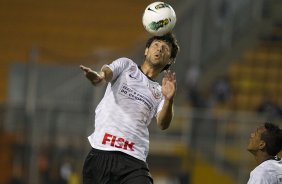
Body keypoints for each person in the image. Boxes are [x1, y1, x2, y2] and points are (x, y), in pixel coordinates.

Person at [80, 33, 179, 184]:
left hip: (133, 159)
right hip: (102, 151)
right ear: (146, 50)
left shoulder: (160, 92)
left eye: (165, 49)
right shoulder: (127, 66)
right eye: (156, 45)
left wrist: (169, 99)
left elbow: (163, 124)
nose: (159, 49)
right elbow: (107, 72)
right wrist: (99, 76)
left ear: (170, 60)